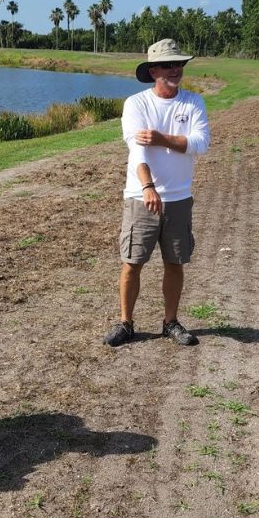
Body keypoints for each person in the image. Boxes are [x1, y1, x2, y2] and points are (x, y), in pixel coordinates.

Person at [103, 38, 211, 347]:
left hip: (178, 198)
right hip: (141, 197)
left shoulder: (193, 102)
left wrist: (162, 138)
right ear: (153, 71)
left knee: (174, 262)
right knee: (132, 261)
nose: (176, 70)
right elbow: (137, 151)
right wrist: (148, 186)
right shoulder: (136, 104)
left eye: (179, 64)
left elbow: (201, 144)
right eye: (168, 65)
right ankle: (126, 323)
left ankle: (170, 322)